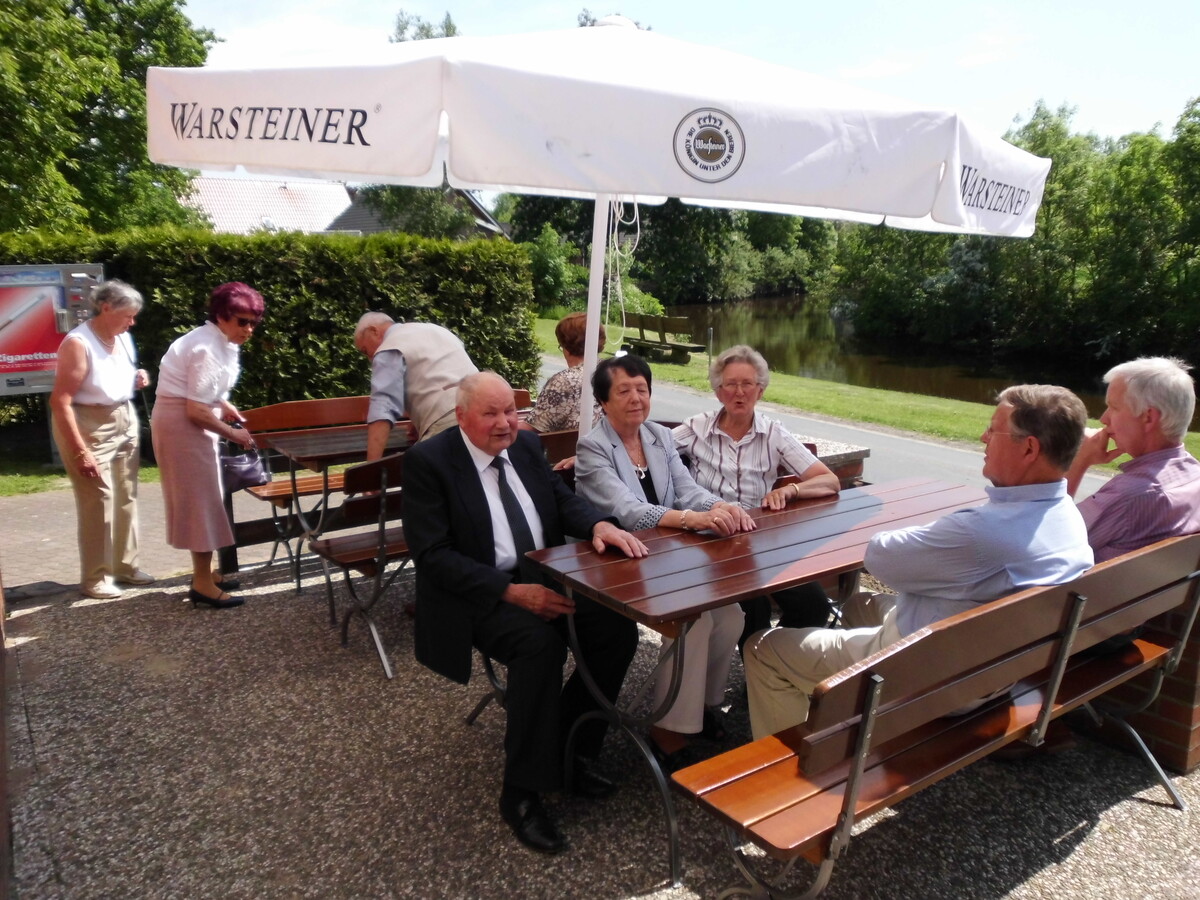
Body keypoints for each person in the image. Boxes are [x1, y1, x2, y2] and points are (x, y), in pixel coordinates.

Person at [744, 384, 1095, 740]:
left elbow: (880, 557)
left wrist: (933, 532)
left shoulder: (980, 532)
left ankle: (799, 763)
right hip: (994, 669)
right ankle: (839, 702)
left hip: (931, 678)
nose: (983, 437)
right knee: (857, 603)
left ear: (1030, 448)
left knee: (761, 647)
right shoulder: (1066, 514)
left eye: (994, 429)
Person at [402, 371, 649, 855]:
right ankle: (521, 793)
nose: (504, 424)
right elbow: (433, 556)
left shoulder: (527, 446)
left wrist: (599, 524)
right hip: (481, 593)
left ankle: (571, 752)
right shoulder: (429, 462)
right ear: (461, 417)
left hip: (547, 577)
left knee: (618, 631)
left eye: (511, 412)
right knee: (539, 645)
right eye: (490, 414)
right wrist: (512, 594)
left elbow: (561, 501)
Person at [575, 354, 756, 768]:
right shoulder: (592, 449)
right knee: (695, 622)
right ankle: (666, 729)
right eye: (624, 390)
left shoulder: (658, 436)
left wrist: (722, 508)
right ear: (603, 401)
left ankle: (702, 708)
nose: (636, 398)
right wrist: (694, 519)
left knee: (730, 613)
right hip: (618, 564)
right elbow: (628, 511)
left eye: (642, 389)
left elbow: (688, 489)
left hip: (668, 557)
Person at [674, 345, 841, 651]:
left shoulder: (773, 433)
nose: (739, 392)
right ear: (718, 391)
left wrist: (790, 490)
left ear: (760, 391)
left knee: (813, 605)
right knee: (753, 612)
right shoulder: (697, 428)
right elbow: (648, 452)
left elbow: (829, 481)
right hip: (710, 540)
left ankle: (775, 666)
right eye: (730, 384)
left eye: (747, 384)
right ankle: (756, 683)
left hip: (758, 541)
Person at [152, 282, 264, 609]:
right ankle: (201, 583)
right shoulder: (206, 347)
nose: (248, 329)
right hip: (183, 427)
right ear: (221, 316)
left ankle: (205, 572)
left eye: (253, 322)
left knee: (204, 498)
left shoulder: (217, 340)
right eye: (241, 321)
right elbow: (195, 410)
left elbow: (203, 391)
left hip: (184, 421)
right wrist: (236, 435)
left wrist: (223, 404)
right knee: (201, 501)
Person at [49, 279, 155, 599]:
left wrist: (137, 378)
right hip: (88, 424)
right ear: (105, 308)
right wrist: (81, 452)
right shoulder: (78, 344)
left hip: (124, 417)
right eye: (128, 315)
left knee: (126, 496)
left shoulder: (122, 337)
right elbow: (60, 401)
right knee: (99, 501)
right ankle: (95, 578)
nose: (132, 322)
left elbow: (116, 375)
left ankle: (125, 566)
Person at [1066, 357, 1200, 561]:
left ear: (1148, 417)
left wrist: (1079, 461)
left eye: (1114, 407)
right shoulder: (1194, 476)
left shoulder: (1131, 495)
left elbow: (1049, 544)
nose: (1104, 419)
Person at [353, 312, 479, 461]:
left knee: (420, 474)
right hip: (483, 412)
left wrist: (371, 468)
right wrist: (420, 420)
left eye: (366, 351)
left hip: (449, 425)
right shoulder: (436, 330)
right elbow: (441, 373)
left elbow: (382, 408)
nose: (370, 358)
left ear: (374, 331)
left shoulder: (389, 347)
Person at [520, 311, 605, 434]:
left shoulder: (564, 381)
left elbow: (534, 427)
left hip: (570, 451)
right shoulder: (611, 371)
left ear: (565, 347)